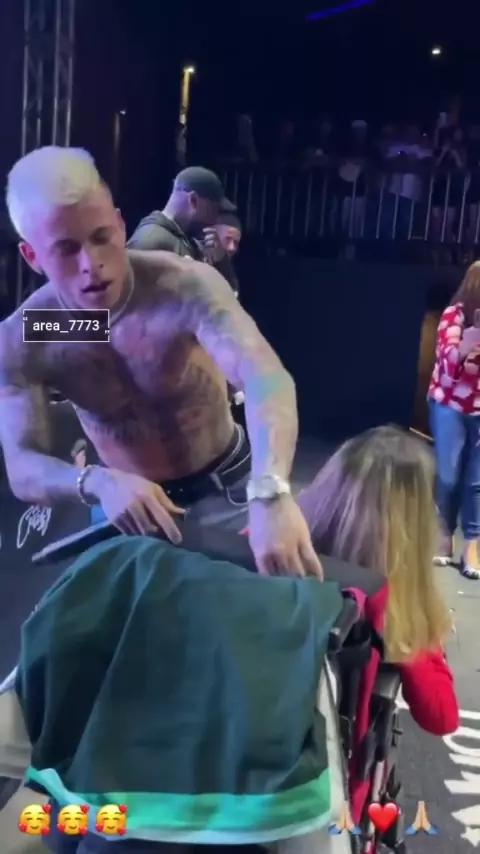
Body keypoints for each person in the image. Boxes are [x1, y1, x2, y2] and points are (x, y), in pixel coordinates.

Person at [0, 146, 322, 579]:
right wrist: (96, 482)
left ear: (120, 223)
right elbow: (21, 464)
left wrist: (271, 491)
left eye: (101, 237)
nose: (92, 264)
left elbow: (264, 376)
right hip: (127, 512)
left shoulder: (180, 287)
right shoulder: (32, 333)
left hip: (230, 491)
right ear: (32, 257)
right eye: (66, 249)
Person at [296, 425, 459, 819]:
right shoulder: (396, 611)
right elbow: (441, 716)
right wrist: (417, 636)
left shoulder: (269, 555)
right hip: (331, 795)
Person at [428, 262, 480, 579]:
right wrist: (465, 345)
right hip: (450, 404)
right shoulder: (455, 316)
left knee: (477, 482)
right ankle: (443, 535)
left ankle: (473, 544)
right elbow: (447, 371)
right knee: (448, 477)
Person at [127, 165, 239, 292]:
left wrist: (221, 260)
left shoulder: (190, 241)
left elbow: (227, 295)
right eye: (214, 210)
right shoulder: (149, 241)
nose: (215, 219)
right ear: (193, 200)